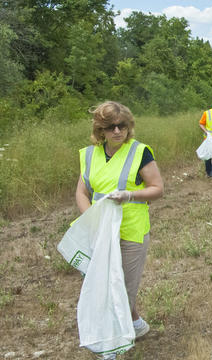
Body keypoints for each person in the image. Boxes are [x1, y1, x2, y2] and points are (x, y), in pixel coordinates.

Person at [75, 101, 164, 346]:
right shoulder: (90, 154)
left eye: (122, 126)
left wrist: (129, 195)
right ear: (100, 130)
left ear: (129, 127)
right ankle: (135, 324)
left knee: (121, 287)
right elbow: (82, 192)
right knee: (103, 282)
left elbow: (157, 188)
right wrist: (90, 220)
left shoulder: (140, 152)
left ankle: (112, 344)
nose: (117, 131)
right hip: (100, 232)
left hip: (131, 232)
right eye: (111, 126)